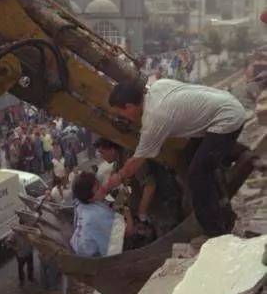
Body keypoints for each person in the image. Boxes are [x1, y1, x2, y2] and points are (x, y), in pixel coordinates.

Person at [106, 79, 247, 237]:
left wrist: (117, 178)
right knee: (185, 162)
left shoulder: (154, 119)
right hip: (223, 105)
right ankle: (220, 203)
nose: (122, 117)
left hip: (227, 119)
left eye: (121, 113)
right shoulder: (157, 87)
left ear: (130, 107)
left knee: (197, 175)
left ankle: (215, 232)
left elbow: (138, 160)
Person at [70, 172, 133, 257]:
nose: (102, 188)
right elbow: (128, 232)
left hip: (79, 246)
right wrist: (128, 213)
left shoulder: (81, 204)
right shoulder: (98, 215)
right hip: (92, 259)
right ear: (90, 198)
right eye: (98, 189)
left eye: (99, 184)